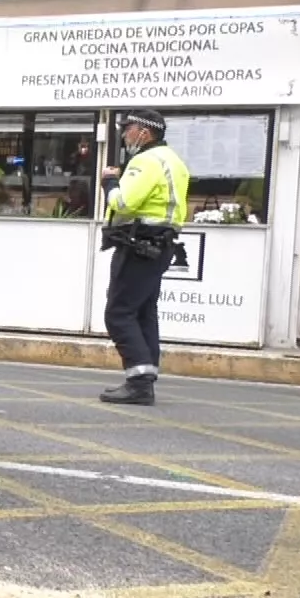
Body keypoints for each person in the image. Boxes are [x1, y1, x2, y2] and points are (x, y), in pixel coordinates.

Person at [98, 110, 191, 404]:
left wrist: (110, 183)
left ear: (145, 133)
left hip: (139, 245)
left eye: (129, 129)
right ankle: (145, 376)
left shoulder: (146, 161)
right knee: (143, 312)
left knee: (119, 313)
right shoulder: (173, 160)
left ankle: (139, 382)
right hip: (159, 246)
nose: (125, 135)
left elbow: (124, 202)